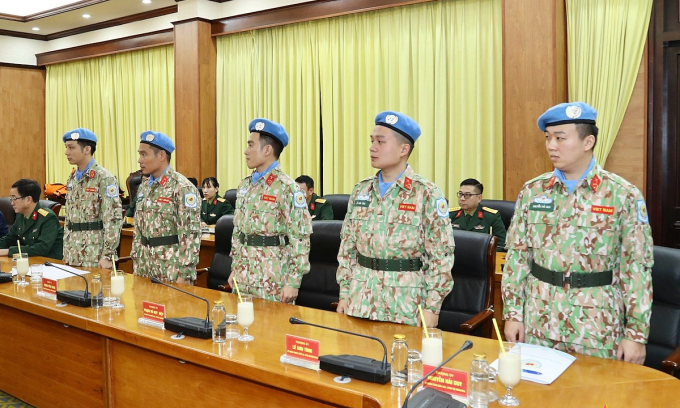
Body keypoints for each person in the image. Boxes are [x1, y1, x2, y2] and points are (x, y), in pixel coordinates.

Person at [502, 102, 653, 364]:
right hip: (539, 317)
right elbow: (517, 257)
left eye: (560, 138)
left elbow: (636, 267)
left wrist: (636, 335)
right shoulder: (533, 192)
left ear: (588, 142)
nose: (551, 145)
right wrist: (513, 314)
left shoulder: (622, 194)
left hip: (597, 324)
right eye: (548, 138)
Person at [336, 111, 455, 327]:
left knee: (403, 360)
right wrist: (345, 292)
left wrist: (431, 308)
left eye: (380, 142)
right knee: (356, 358)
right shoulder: (361, 191)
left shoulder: (426, 193)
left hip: (406, 303)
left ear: (403, 149)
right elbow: (347, 249)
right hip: (360, 298)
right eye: (372, 141)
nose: (372, 147)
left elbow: (441, 256)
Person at [228, 118, 312, 303]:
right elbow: (238, 231)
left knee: (271, 329)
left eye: (251, 145)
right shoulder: (244, 185)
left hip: (273, 279)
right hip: (243, 276)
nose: (246, 151)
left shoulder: (287, 188)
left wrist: (293, 282)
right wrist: (235, 267)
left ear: (267, 150)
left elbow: (301, 238)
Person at [130, 131, 201, 284]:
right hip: (143, 267)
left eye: (144, 155)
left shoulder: (182, 187)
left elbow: (190, 235)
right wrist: (136, 259)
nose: (139, 160)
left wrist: (185, 274)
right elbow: (138, 229)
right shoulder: (144, 187)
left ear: (161, 155)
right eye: (140, 154)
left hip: (170, 269)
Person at [62, 128, 123, 268]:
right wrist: (66, 251)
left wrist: (108, 255)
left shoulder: (104, 178)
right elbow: (69, 218)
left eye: (71, 147)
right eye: (66, 147)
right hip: (72, 250)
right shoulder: (72, 178)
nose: (66, 152)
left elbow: (113, 218)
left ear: (87, 149)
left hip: (94, 251)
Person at [0, 179, 63, 259]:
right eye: (11, 199)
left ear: (28, 200)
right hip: (30, 261)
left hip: (49, 264)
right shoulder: (20, 216)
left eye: (14, 199)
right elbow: (9, 239)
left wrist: (8, 251)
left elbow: (41, 248)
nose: (12, 203)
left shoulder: (48, 217)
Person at [449, 178, 507, 251]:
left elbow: (500, 246)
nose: (462, 198)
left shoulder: (491, 217)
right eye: (460, 194)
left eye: (467, 195)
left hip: (481, 259)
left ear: (479, 198)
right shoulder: (450, 215)